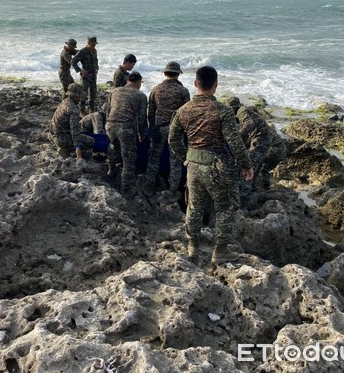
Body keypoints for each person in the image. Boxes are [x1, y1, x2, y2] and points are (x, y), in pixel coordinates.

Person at [169, 66, 253, 265]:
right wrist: (246, 165)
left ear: (195, 84)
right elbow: (235, 142)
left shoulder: (183, 110)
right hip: (217, 167)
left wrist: (186, 157)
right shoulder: (222, 111)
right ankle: (220, 250)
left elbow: (173, 140)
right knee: (226, 206)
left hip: (193, 166)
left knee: (195, 206)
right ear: (215, 85)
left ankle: (193, 247)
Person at [143, 61, 190, 197]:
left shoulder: (156, 89)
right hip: (176, 131)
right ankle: (173, 191)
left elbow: (150, 112)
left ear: (165, 73)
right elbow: (187, 113)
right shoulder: (183, 91)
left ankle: (149, 187)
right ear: (178, 75)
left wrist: (152, 128)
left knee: (154, 158)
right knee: (175, 161)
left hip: (159, 129)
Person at [105, 71, 148, 196]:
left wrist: (107, 126)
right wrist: (142, 133)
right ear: (138, 82)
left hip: (110, 125)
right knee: (128, 159)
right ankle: (126, 189)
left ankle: (111, 171)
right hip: (126, 128)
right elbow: (141, 118)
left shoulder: (115, 91)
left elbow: (108, 110)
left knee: (113, 149)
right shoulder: (141, 96)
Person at [225, 97, 273, 205]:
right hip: (264, 140)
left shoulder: (241, 111)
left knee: (248, 168)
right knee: (256, 166)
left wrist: (238, 135)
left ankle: (244, 199)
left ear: (233, 108)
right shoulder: (245, 110)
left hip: (260, 140)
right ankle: (252, 190)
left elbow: (249, 124)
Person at [49, 83, 95, 160]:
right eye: (80, 96)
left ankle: (62, 146)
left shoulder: (65, 101)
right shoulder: (74, 110)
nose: (81, 98)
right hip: (61, 139)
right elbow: (75, 133)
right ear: (76, 96)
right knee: (91, 141)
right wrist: (78, 154)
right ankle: (65, 150)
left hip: (52, 135)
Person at [71, 36, 99, 114]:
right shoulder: (83, 51)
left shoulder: (94, 51)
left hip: (93, 76)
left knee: (93, 93)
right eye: (93, 44)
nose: (94, 46)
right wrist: (80, 70)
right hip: (85, 77)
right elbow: (73, 61)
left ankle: (91, 110)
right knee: (83, 94)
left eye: (95, 44)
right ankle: (82, 111)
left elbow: (96, 61)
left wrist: (97, 68)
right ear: (88, 43)